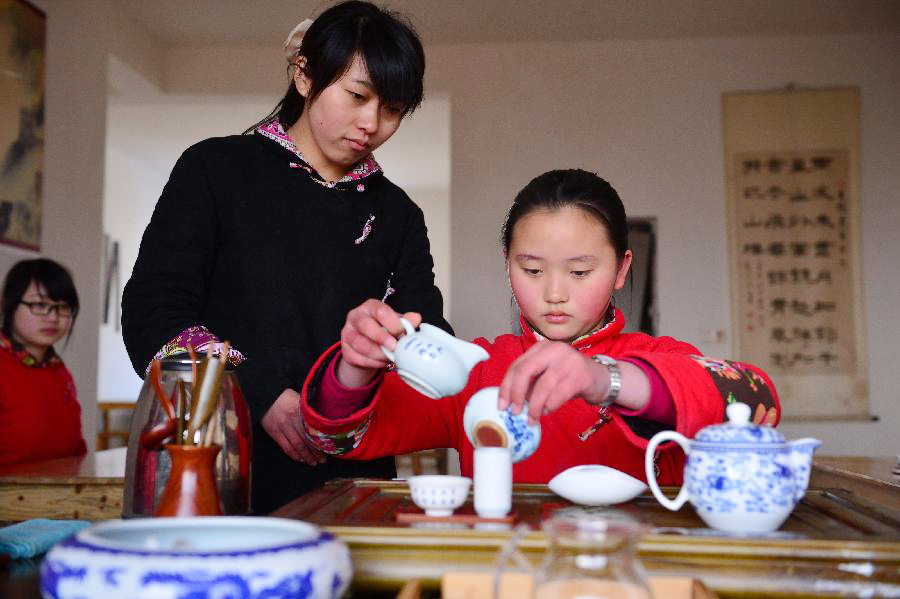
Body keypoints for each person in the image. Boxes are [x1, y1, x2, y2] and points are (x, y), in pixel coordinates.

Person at [121, 1, 450, 513]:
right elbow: (153, 311)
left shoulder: (398, 214)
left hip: (352, 481)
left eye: (391, 110)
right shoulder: (215, 170)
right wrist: (259, 394)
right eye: (358, 96)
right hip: (218, 463)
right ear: (304, 75)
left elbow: (427, 335)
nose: (371, 124)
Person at [300, 169, 781, 484]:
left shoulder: (658, 359)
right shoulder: (479, 370)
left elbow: (758, 401)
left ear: (620, 269)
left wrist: (604, 379)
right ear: (507, 265)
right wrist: (355, 366)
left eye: (579, 272)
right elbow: (335, 438)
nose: (554, 293)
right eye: (532, 270)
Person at [0, 258, 85, 467]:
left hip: (59, 495)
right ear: (7, 304)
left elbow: (75, 450)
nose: (53, 317)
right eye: (39, 304)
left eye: (62, 307)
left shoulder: (59, 371)